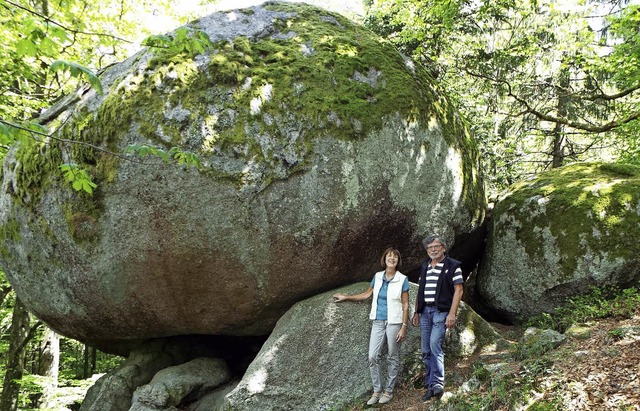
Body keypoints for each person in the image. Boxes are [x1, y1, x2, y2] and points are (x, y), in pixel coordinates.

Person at [333, 247, 410, 405]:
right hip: (378, 321)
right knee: (372, 356)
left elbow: (406, 304)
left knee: (392, 356)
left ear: (398, 261)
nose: (392, 258)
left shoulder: (402, 279)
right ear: (384, 259)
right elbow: (367, 294)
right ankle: (377, 391)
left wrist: (404, 326)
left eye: (395, 257)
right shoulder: (378, 276)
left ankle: (388, 391)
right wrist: (346, 297)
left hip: (394, 321)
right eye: (389, 256)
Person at [411, 235, 463, 402]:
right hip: (425, 311)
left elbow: (459, 290)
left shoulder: (453, 265)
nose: (433, 249)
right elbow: (421, 289)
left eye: (436, 246)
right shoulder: (425, 265)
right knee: (425, 350)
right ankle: (430, 385)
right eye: (430, 247)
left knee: (434, 345)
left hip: (441, 311)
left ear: (443, 248)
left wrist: (452, 313)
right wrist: (416, 311)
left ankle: (438, 383)